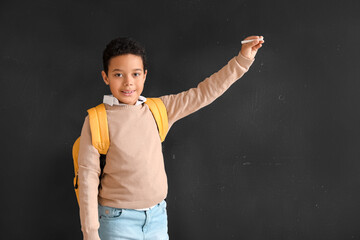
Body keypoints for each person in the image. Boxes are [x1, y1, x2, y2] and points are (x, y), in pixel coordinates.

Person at [77, 36, 264, 240]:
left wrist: (242, 60)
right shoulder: (96, 120)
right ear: (106, 77)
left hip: (157, 219)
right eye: (118, 74)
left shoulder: (159, 109)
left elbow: (204, 93)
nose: (128, 82)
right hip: (116, 222)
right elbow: (87, 179)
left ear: (145, 75)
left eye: (135, 74)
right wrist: (91, 233)